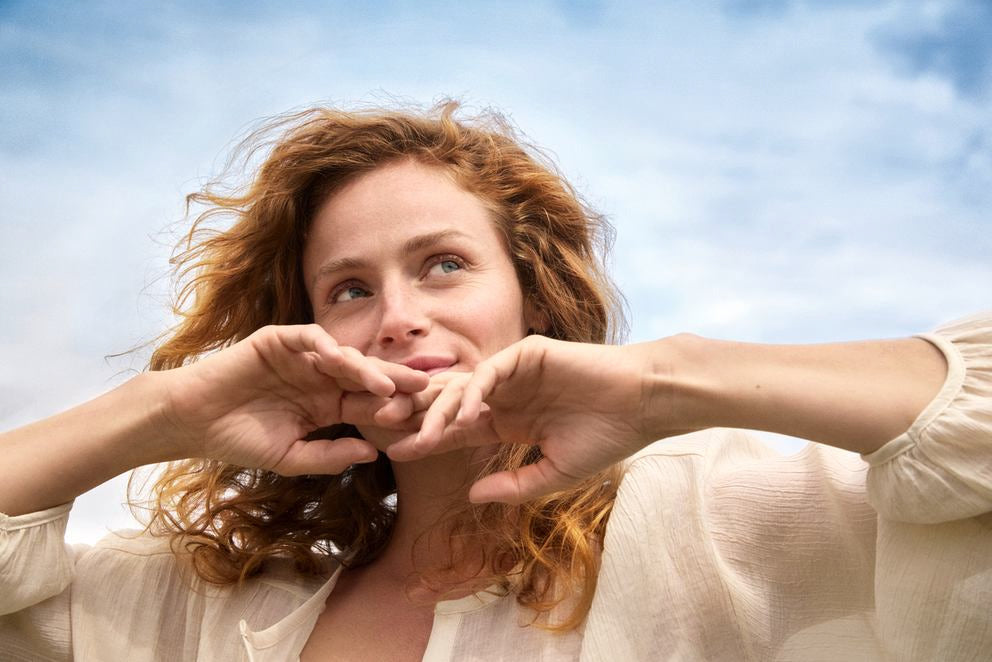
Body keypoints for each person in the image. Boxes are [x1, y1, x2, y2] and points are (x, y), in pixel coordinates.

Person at [0, 101, 989, 661]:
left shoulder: (712, 518)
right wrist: (164, 405)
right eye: (347, 288)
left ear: (533, 299)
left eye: (442, 263)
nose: (395, 314)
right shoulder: (203, 606)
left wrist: (666, 379)